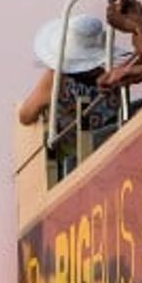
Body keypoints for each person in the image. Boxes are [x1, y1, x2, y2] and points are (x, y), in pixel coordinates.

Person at [18, 13, 127, 170]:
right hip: (109, 148)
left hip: (71, 161)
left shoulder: (57, 78)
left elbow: (25, 115)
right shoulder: (112, 75)